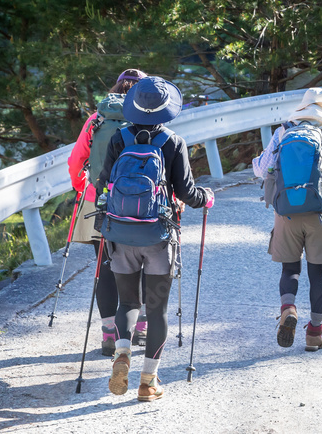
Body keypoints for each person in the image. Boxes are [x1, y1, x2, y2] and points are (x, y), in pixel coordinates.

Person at [94, 76, 214, 401]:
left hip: (121, 235)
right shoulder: (173, 142)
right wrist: (206, 197)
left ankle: (122, 353)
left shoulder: (119, 138)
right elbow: (188, 193)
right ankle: (148, 382)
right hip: (159, 238)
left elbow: (102, 188)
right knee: (156, 309)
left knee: (127, 302)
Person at [252, 87, 322, 352]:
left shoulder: (283, 132)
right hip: (320, 212)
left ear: (303, 108)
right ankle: (314, 334)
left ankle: (288, 309)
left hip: (286, 212)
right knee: (317, 274)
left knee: (290, 269)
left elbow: (262, 170)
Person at [67, 69, 147, 356]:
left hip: (97, 202)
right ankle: (139, 329)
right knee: (140, 265)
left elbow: (77, 160)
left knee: (105, 268)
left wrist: (82, 187)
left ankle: (108, 334)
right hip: (139, 204)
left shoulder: (97, 119)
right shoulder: (147, 118)